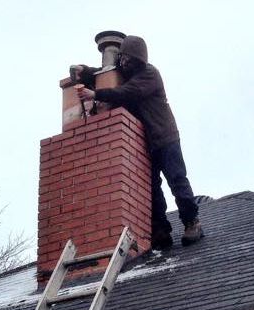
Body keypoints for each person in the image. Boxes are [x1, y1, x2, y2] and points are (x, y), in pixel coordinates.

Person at [71, 35, 203, 248]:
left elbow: (126, 92)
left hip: (166, 137)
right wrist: (84, 71)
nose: (124, 63)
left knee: (177, 179)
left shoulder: (149, 74)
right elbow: (105, 73)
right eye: (122, 59)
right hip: (149, 143)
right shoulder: (129, 72)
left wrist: (94, 94)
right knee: (152, 187)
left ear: (137, 59)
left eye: (128, 59)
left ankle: (192, 223)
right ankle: (161, 232)